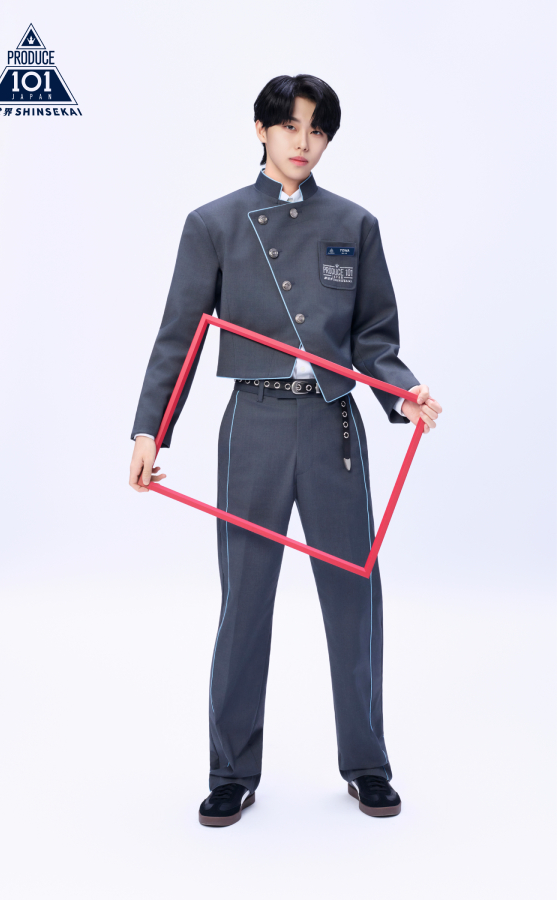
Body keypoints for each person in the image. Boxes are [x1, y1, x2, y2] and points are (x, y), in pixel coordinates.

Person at [129, 74, 442, 826]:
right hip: (254, 425)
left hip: (334, 428)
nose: (304, 142)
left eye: (318, 129)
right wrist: (148, 430)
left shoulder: (355, 223)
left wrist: (401, 392)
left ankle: (367, 765)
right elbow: (178, 335)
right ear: (261, 130)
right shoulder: (213, 223)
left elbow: (375, 339)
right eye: (291, 126)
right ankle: (231, 771)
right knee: (245, 601)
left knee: (355, 599)